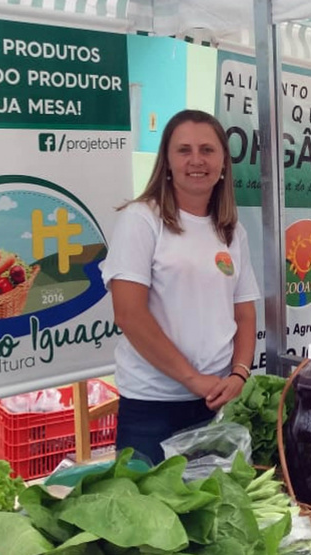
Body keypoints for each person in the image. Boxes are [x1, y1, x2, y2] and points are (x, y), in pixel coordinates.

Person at [101, 109, 260, 465]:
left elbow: (245, 312)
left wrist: (239, 373)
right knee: (150, 516)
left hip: (216, 405)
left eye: (207, 150)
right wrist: (192, 379)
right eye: (184, 150)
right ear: (167, 162)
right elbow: (129, 314)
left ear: (223, 163)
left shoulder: (230, 230)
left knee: (216, 515)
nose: (196, 160)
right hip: (152, 409)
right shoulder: (142, 220)